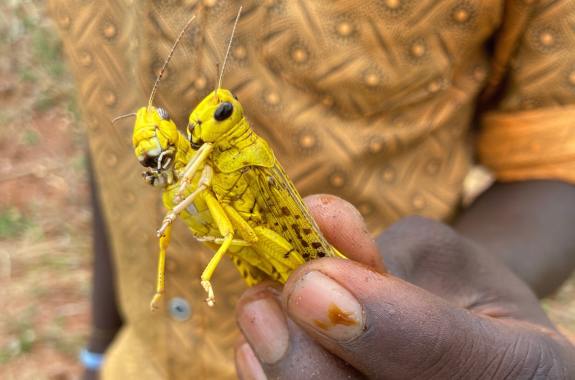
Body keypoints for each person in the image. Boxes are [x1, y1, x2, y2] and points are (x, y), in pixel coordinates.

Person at [46, 0, 575, 378]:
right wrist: (99, 345)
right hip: (134, 362)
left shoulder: (238, 153)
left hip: (328, 295)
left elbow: (558, 152)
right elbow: (122, 153)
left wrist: (418, 317)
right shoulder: (183, 152)